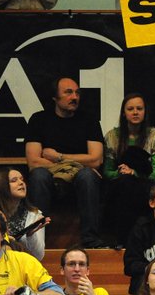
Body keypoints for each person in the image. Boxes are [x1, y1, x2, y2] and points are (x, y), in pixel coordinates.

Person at [25, 77, 105, 249]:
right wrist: (76, 163)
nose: (74, 97)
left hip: (79, 181)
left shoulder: (89, 120)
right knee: (38, 175)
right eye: (68, 92)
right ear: (55, 97)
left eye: (77, 93)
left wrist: (58, 157)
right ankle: (36, 241)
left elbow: (96, 160)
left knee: (87, 176)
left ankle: (90, 240)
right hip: (50, 180)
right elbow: (33, 162)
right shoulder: (39, 120)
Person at [103, 92, 155, 247]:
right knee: (124, 185)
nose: (135, 112)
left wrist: (134, 172)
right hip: (121, 185)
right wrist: (121, 172)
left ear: (145, 112)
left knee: (134, 188)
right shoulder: (112, 136)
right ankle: (122, 239)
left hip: (147, 185)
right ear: (124, 113)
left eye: (139, 108)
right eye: (130, 109)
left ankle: (143, 239)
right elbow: (107, 172)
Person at [0, 168, 47, 260]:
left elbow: (38, 256)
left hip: (23, 264)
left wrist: (30, 236)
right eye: (14, 180)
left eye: (22, 179)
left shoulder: (34, 215)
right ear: (1, 186)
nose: (21, 183)